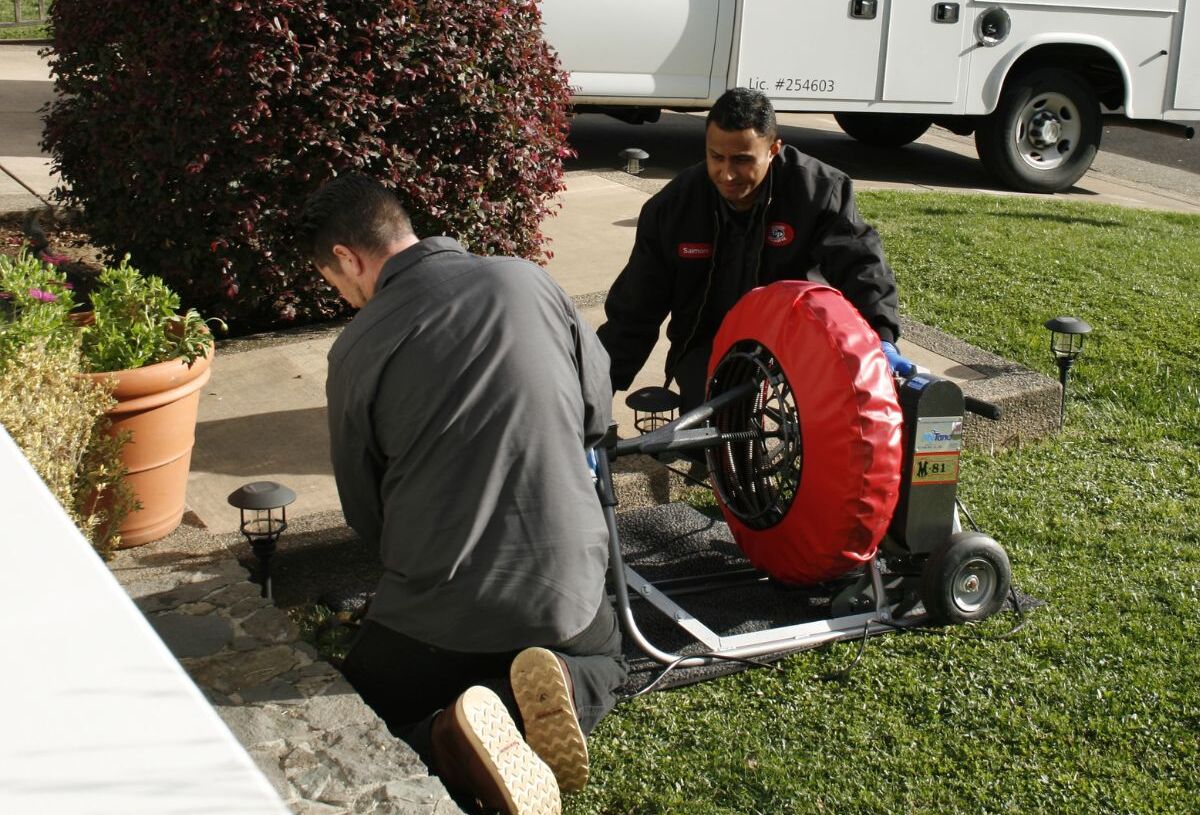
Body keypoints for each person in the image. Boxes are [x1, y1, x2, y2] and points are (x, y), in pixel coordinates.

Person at [297, 174, 628, 815]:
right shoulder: (530, 281)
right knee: (608, 659)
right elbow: (596, 413)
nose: (344, 298)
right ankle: (547, 687)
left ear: (346, 257)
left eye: (335, 283)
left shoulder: (358, 347)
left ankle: (452, 739)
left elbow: (366, 512)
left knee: (364, 710)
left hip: (438, 612)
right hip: (568, 596)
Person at [597, 87, 913, 414]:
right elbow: (635, 309)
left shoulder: (819, 191)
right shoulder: (673, 208)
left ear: (773, 149)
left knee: (832, 418)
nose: (727, 173)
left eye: (742, 160)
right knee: (708, 425)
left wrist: (881, 337)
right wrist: (594, 389)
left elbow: (861, 266)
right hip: (707, 341)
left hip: (795, 340)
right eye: (716, 157)